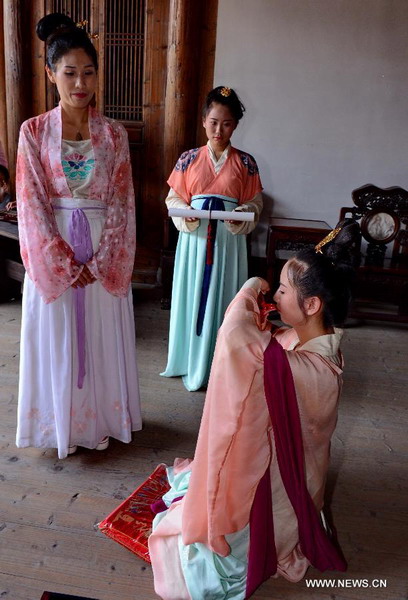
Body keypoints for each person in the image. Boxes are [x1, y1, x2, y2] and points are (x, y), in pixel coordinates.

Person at [148, 220, 360, 599]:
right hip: (281, 467)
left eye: (282, 289)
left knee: (200, 566)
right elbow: (265, 354)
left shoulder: (314, 369)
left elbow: (238, 342)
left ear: (311, 305)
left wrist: (248, 291)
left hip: (279, 485)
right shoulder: (310, 340)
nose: (275, 295)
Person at [15, 13, 142, 459]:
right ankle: (57, 424)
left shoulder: (113, 134)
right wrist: (65, 263)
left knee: (100, 338)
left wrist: (104, 260)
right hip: (55, 252)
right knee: (59, 337)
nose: (80, 82)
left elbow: (124, 203)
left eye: (88, 72)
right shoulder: (32, 132)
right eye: (69, 72)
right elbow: (30, 203)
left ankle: (102, 421)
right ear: (51, 74)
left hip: (105, 248)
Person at [161, 86, 263, 391]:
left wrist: (243, 211)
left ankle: (222, 365)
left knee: (226, 297)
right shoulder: (188, 159)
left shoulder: (246, 163)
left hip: (228, 244)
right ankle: (189, 361)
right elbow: (173, 198)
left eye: (227, 123)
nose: (220, 130)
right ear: (205, 120)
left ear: (236, 125)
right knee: (193, 297)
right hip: (195, 241)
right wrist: (185, 210)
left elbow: (257, 202)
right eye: (214, 121)